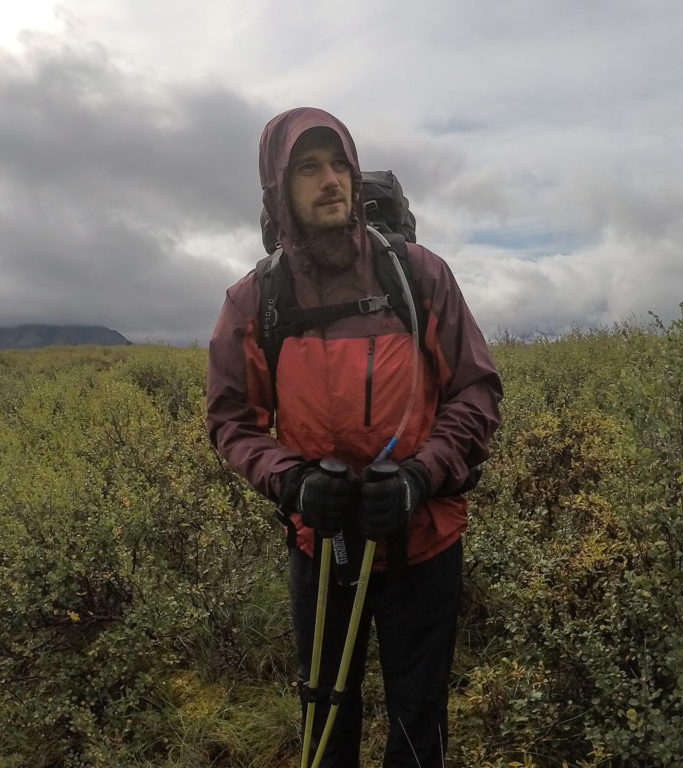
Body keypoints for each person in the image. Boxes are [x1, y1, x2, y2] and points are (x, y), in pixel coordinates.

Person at [206, 106, 503, 767]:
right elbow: (231, 418)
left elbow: (475, 391)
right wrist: (293, 481)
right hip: (322, 545)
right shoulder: (255, 301)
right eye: (308, 168)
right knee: (324, 718)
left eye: (338, 163)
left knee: (418, 724)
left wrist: (421, 477)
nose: (330, 180)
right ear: (277, 189)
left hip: (424, 541)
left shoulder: (418, 275)